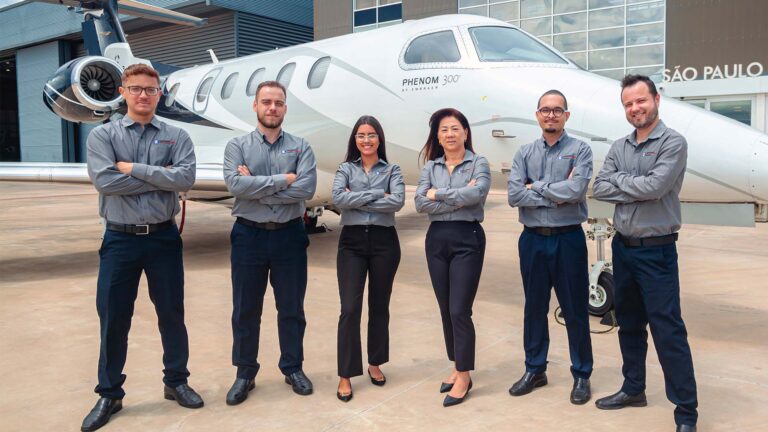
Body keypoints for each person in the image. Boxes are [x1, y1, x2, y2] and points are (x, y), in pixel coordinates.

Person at [81, 64, 202, 432]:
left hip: (164, 238)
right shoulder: (103, 137)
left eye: (150, 89)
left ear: (159, 93)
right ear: (123, 91)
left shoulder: (177, 135)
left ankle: (176, 381)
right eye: (136, 89)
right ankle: (110, 393)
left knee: (172, 314)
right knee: (114, 317)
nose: (143, 95)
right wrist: (159, 177)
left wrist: (133, 168)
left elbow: (186, 178)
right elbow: (106, 182)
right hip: (119, 239)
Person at [592, 74, 698, 432]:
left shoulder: (673, 142)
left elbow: (656, 186)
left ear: (656, 99)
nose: (635, 108)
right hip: (624, 249)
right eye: (628, 104)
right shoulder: (620, 145)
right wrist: (633, 185)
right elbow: (600, 185)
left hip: (657, 252)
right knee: (630, 326)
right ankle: (633, 388)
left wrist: (625, 182)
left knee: (668, 331)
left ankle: (686, 412)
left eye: (641, 101)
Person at [222, 80, 317, 404]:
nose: (272, 108)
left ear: (285, 108)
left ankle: (293, 367)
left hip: (290, 236)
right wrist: (282, 180)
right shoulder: (237, 146)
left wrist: (256, 184)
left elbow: (305, 189)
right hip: (248, 235)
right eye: (266, 102)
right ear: (256, 106)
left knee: (291, 308)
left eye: (278, 102)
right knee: (245, 310)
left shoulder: (301, 147)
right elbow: (236, 185)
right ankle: (244, 373)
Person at [507, 90, 594, 404]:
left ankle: (582, 374)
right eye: (546, 110)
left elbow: (576, 189)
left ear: (566, 116)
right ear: (537, 114)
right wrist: (555, 193)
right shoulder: (524, 153)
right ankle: (535, 369)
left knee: (575, 309)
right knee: (534, 307)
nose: (551, 115)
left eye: (558, 110)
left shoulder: (580, 150)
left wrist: (537, 186)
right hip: (532, 239)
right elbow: (515, 195)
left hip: (568, 238)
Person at [415, 108, 491, 407]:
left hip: (467, 239)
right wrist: (453, 195)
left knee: (460, 309)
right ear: (438, 135)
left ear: (465, 132)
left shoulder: (479, 162)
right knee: (446, 308)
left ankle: (464, 374)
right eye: (444, 129)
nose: (450, 134)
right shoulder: (430, 166)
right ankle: (456, 363)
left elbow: (478, 194)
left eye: (455, 128)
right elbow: (421, 203)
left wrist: (438, 195)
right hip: (436, 240)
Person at [331, 115, 405, 402]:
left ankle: (375, 362)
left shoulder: (393, 169)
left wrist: (358, 195)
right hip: (351, 242)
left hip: (385, 241)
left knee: (379, 305)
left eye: (371, 135)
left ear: (379, 139)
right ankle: (346, 374)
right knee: (349, 308)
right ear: (355, 140)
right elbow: (339, 199)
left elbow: (396, 201)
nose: (366, 140)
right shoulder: (345, 168)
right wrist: (378, 194)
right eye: (361, 135)